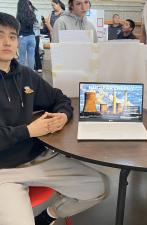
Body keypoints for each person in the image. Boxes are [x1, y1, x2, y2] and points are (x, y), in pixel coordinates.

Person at [0, 12, 108, 225]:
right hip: (4, 171)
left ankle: (48, 216)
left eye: (13, 36)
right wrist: (30, 131)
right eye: (0, 35)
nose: (7, 42)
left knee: (101, 188)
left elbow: (60, 98)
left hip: (39, 158)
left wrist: (63, 115)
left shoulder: (26, 75)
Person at [16, 0, 36, 69]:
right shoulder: (32, 13)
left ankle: (22, 74)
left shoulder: (19, 14)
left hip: (23, 37)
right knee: (31, 57)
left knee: (22, 57)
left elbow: (17, 27)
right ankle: (31, 74)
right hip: (32, 37)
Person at [29, 1, 43, 72]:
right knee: (31, 51)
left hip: (36, 34)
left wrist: (30, 23)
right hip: (29, 34)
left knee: (36, 50)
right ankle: (33, 67)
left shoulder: (37, 12)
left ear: (31, 5)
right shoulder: (26, 13)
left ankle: (39, 66)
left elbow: (39, 25)